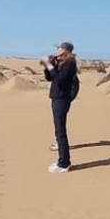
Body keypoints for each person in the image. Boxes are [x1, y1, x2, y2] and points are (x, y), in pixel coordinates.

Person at [41, 41, 78, 173]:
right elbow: (50, 78)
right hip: (57, 98)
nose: (57, 50)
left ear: (65, 50)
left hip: (62, 99)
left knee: (60, 131)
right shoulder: (62, 62)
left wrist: (50, 65)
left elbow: (60, 80)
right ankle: (62, 160)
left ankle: (64, 163)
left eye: (59, 48)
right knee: (59, 130)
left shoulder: (70, 63)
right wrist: (48, 66)